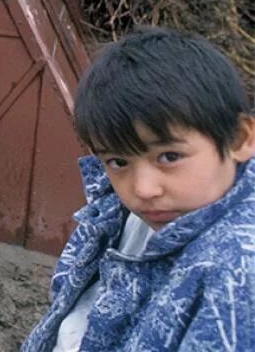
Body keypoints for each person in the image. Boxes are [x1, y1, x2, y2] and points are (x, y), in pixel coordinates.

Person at [22, 27, 255, 351]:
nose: (143, 189)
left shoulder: (237, 277)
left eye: (169, 157)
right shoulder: (114, 213)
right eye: (118, 161)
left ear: (240, 139)